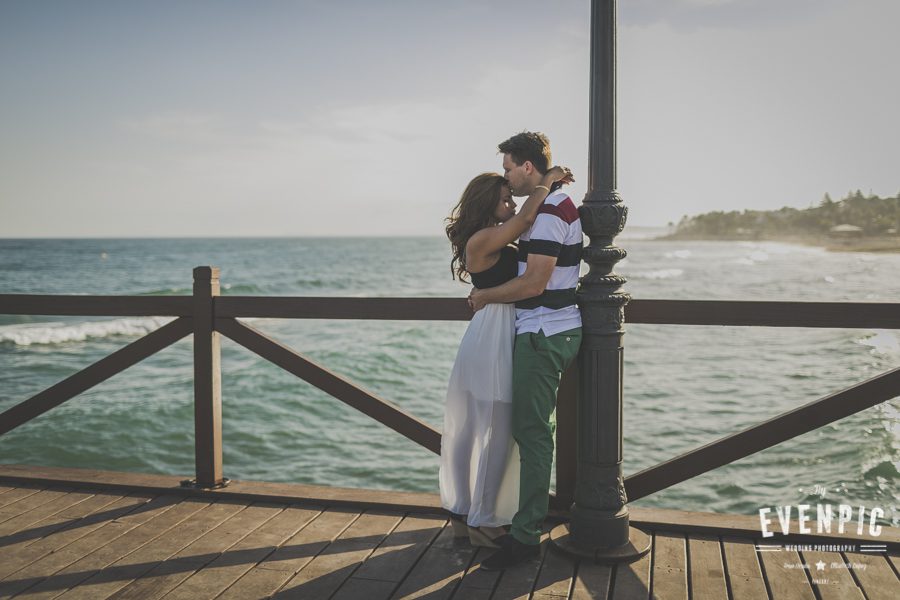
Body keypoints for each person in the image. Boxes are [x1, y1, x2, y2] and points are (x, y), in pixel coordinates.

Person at [441, 164, 573, 548]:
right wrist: (546, 181)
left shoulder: (492, 238)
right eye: (504, 201)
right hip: (492, 336)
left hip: (500, 331)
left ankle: (463, 514)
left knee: (484, 427)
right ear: (487, 204)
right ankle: (481, 519)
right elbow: (529, 216)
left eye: (511, 199)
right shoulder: (481, 240)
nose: (512, 206)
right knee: (492, 428)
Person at [469, 131, 583, 570]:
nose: (507, 177)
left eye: (508, 169)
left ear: (526, 167)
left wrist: (485, 297)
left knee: (533, 433)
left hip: (545, 333)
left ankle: (526, 535)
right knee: (527, 430)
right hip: (536, 330)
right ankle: (513, 520)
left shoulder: (553, 210)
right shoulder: (545, 206)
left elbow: (535, 283)